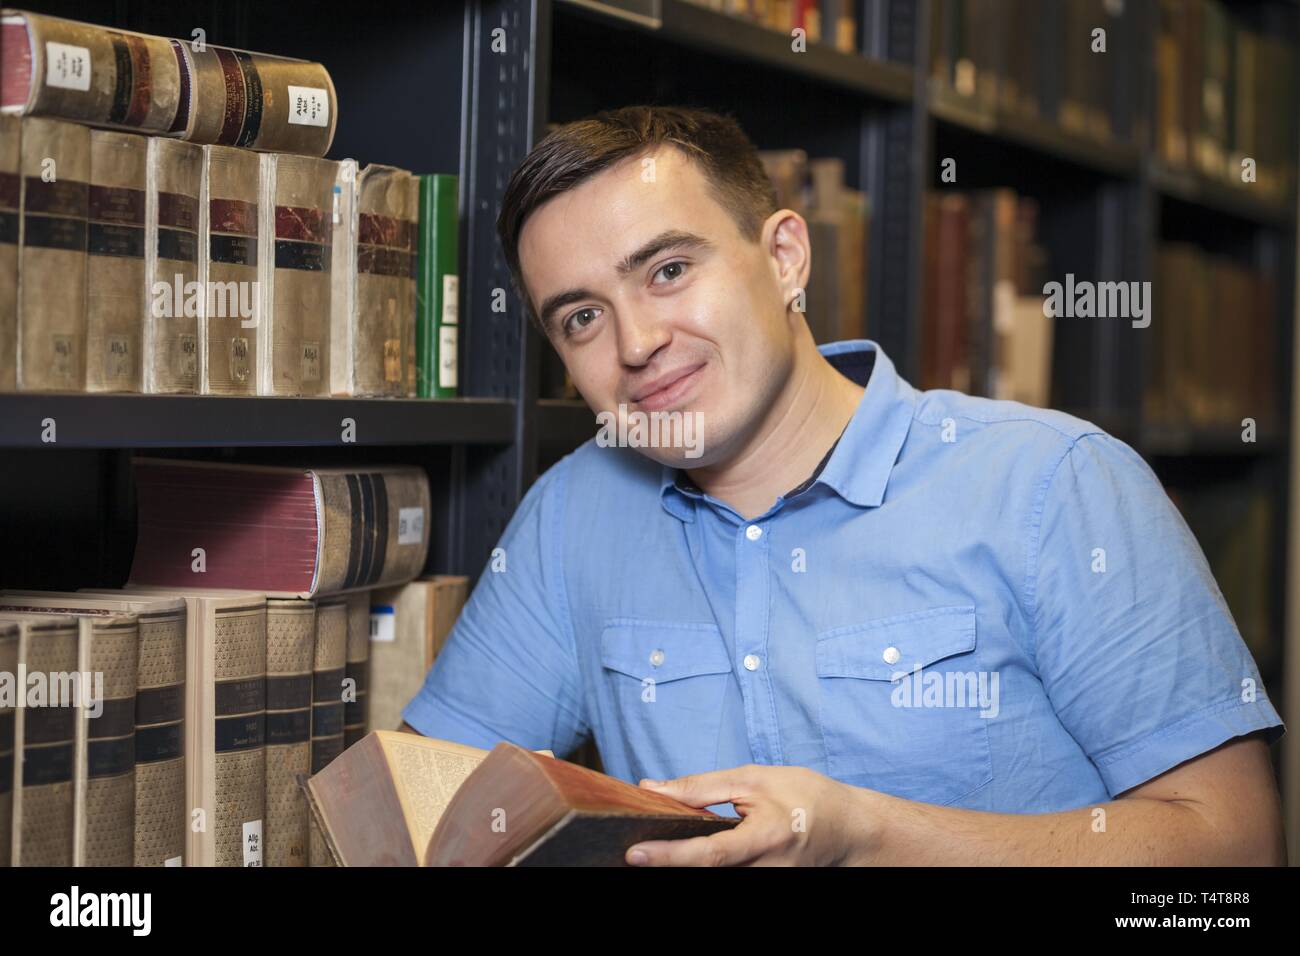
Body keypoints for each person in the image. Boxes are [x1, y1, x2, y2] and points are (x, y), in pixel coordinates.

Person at [401, 105, 1285, 866]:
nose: (635, 343)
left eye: (668, 270)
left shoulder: (1055, 485)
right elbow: (426, 798)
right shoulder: (574, 513)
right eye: (582, 317)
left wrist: (865, 833)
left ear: (786, 257)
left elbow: (1236, 855)